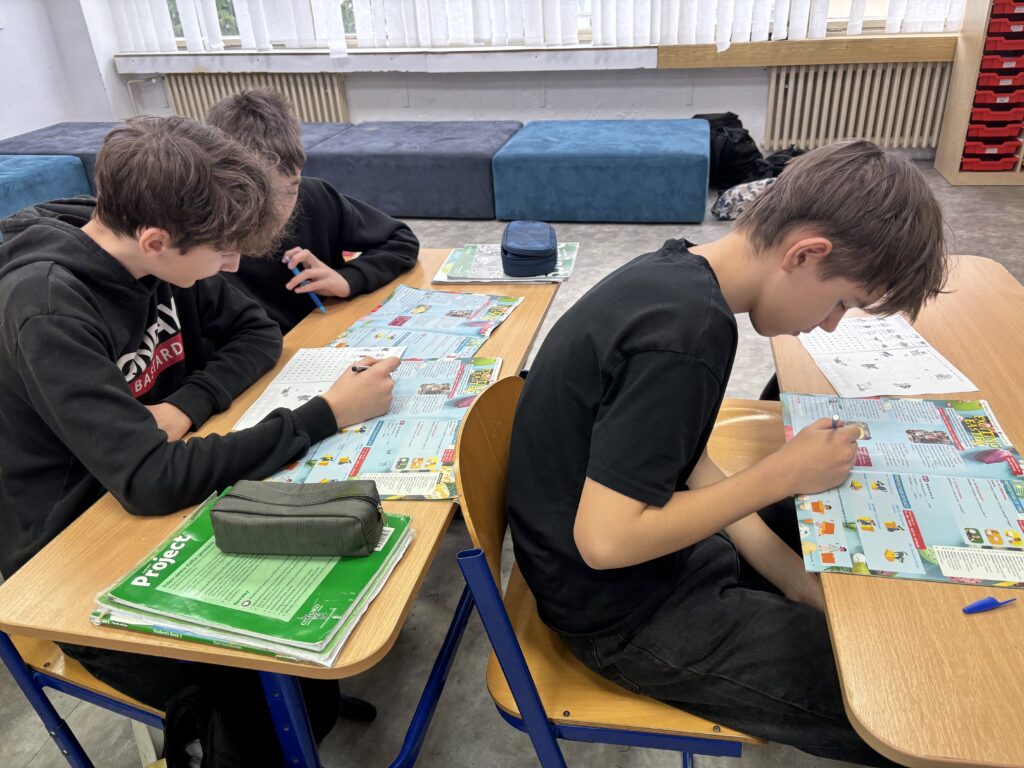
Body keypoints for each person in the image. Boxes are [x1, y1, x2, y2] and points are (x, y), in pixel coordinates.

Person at [506, 140, 946, 767]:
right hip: (623, 614)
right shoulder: (687, 335)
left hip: (660, 557)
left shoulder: (677, 274)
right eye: (842, 303)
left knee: (861, 553)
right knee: (912, 706)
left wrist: (791, 577)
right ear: (805, 253)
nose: (831, 325)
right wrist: (779, 475)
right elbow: (605, 542)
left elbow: (688, 463)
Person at [0, 116, 399, 766]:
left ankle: (299, 710)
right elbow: (150, 481)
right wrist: (323, 415)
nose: (233, 265)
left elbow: (257, 331)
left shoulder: (160, 242)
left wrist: (185, 406)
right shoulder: (47, 306)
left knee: (323, 586)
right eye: (221, 254)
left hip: (149, 488)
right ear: (156, 242)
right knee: (257, 680)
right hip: (71, 545)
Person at [206, 88, 420, 333]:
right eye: (259, 197)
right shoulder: (202, 249)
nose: (277, 212)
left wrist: (348, 279)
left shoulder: (314, 197)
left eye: (290, 190)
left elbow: (400, 240)